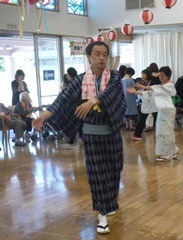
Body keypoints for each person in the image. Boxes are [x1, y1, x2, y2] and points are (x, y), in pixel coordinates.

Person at [32, 41, 126, 234]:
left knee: (114, 172)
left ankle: (109, 203)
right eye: (97, 54)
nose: (101, 58)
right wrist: (44, 115)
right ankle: (102, 215)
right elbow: (63, 99)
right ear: (89, 57)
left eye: (104, 54)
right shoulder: (80, 80)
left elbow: (113, 93)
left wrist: (93, 100)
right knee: (97, 175)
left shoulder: (114, 77)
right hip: (91, 135)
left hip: (112, 135)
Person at [127, 66, 179, 161]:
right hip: (162, 111)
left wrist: (142, 87)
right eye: (160, 75)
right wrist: (137, 92)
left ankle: (166, 154)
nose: (160, 77)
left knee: (165, 132)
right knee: (163, 131)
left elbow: (156, 89)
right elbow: (150, 94)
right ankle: (173, 150)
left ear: (168, 76)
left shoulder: (169, 85)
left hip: (167, 111)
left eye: (163, 75)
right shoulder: (162, 86)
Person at [131, 69, 154, 140]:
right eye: (142, 74)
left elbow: (148, 92)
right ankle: (137, 134)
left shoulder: (151, 82)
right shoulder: (143, 82)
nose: (142, 76)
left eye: (143, 74)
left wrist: (139, 90)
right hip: (146, 103)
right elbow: (139, 89)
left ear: (147, 74)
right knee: (142, 118)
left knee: (143, 118)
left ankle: (137, 134)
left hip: (151, 103)